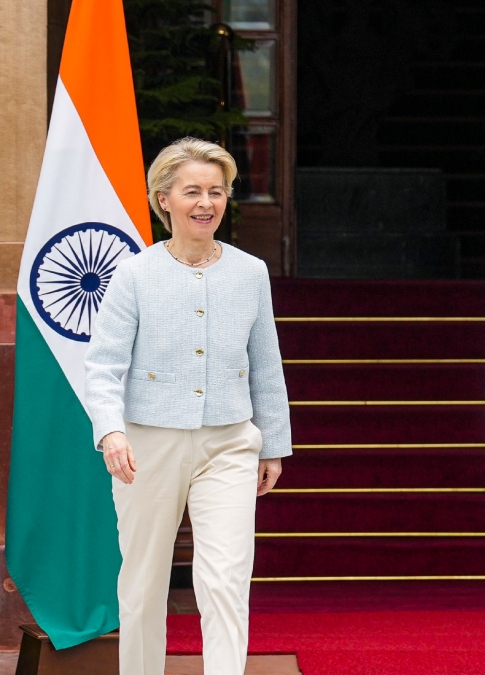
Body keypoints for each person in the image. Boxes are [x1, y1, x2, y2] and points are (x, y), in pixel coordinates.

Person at [84, 137, 291, 675]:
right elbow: (103, 364)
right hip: (146, 444)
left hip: (230, 443)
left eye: (217, 192)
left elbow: (266, 363)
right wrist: (111, 432)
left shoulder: (250, 272)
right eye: (193, 191)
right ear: (164, 199)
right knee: (144, 579)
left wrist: (272, 443)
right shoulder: (133, 274)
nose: (206, 203)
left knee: (226, 577)